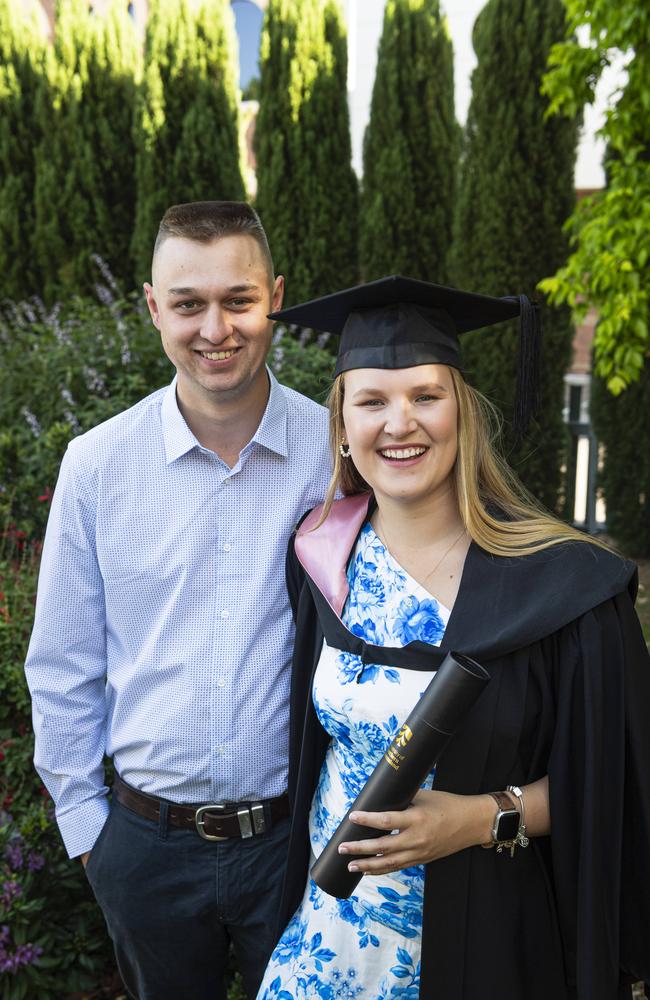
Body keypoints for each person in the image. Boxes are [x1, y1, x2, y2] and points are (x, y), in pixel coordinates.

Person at [257, 276, 650, 1000]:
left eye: (426, 397)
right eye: (371, 401)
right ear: (341, 424)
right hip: (332, 937)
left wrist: (478, 818)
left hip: (493, 940)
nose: (399, 423)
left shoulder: (565, 590)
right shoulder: (321, 559)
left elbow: (618, 782)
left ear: (462, 413)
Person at [24, 201, 332, 1000]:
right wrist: (93, 838)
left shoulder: (336, 456)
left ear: (277, 298)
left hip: (294, 840)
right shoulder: (96, 467)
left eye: (239, 299)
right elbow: (61, 666)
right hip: (146, 849)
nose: (215, 328)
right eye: (188, 304)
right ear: (155, 309)